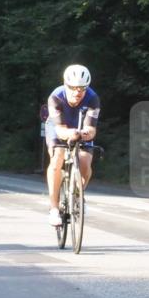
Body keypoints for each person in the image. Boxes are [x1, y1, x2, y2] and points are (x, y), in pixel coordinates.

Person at [45, 65, 100, 227]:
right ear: (66, 85)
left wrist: (85, 133)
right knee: (57, 158)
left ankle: (78, 194)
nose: (78, 92)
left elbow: (91, 129)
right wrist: (71, 134)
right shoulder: (56, 97)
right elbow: (60, 130)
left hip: (80, 125)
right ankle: (54, 208)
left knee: (84, 161)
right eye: (74, 88)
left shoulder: (92, 98)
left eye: (82, 88)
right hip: (59, 127)